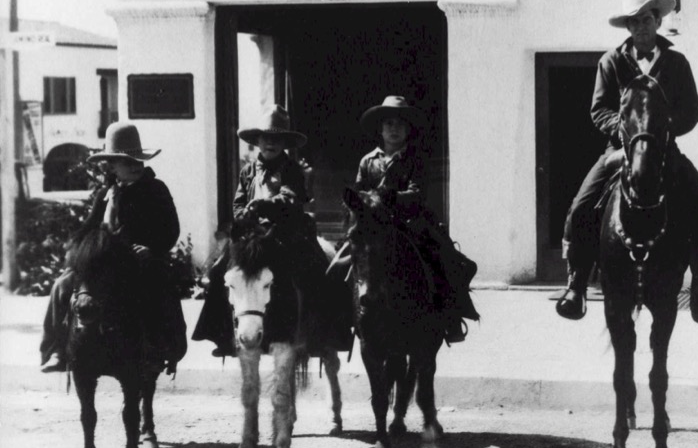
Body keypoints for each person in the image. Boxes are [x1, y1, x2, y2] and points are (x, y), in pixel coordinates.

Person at [556, 0, 698, 324]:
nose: (640, 27)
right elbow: (598, 109)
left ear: (658, 21)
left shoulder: (676, 63)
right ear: (627, 27)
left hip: (664, 149)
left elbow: (691, 110)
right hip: (620, 149)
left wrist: (663, 129)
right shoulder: (611, 62)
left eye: (645, 19)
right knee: (581, 205)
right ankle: (576, 284)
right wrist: (623, 129)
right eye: (633, 22)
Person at [41, 121, 185, 373]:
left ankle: (164, 348)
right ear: (112, 166)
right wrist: (83, 245)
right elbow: (87, 230)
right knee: (62, 286)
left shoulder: (156, 190)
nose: (135, 165)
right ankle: (58, 350)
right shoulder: (104, 195)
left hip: (141, 260)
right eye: (126, 161)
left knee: (162, 286)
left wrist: (153, 249)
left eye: (137, 160)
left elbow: (171, 230)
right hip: (104, 264)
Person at [193, 106, 329, 356]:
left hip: (284, 234)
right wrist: (242, 213)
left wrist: (267, 204)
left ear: (285, 143)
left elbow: (290, 198)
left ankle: (315, 334)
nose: (271, 143)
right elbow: (238, 200)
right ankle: (223, 335)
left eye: (277, 139)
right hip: (252, 235)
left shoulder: (292, 170)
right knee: (218, 271)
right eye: (266, 138)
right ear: (257, 141)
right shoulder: (248, 171)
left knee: (316, 268)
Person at [354, 95, 479, 343]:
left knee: (450, 261)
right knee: (343, 264)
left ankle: (452, 317)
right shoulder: (367, 161)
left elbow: (417, 194)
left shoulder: (417, 159)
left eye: (400, 124)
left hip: (411, 224)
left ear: (408, 129)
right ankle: (348, 321)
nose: (394, 129)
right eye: (389, 123)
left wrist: (391, 197)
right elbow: (359, 194)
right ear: (380, 129)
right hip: (376, 226)